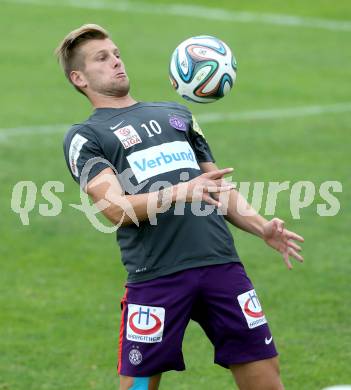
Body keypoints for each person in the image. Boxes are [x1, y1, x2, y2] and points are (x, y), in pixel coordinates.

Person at [56, 24, 304, 390]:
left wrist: (261, 226)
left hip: (221, 265)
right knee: (139, 387)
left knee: (266, 379)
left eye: (117, 53)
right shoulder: (86, 136)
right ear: (79, 78)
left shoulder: (178, 114)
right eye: (102, 58)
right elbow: (115, 209)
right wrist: (180, 191)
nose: (116, 62)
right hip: (157, 277)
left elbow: (216, 186)